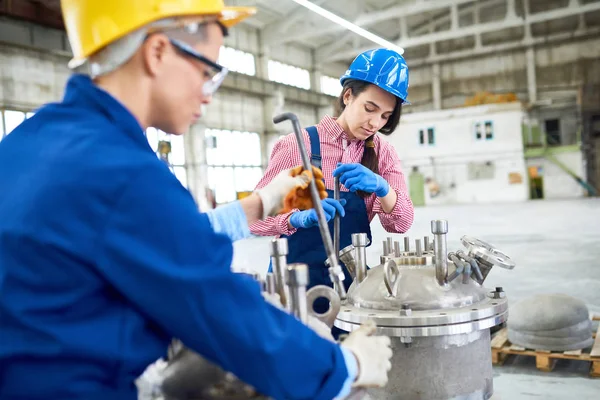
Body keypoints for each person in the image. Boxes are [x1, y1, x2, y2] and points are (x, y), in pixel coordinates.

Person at [0, 1, 393, 399]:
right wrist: (348, 364)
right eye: (207, 72)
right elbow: (218, 310)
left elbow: (153, 237)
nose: (208, 93)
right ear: (157, 53)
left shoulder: (29, 140)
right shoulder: (122, 173)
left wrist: (261, 204)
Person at [251, 48, 415, 299]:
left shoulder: (383, 153)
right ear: (348, 96)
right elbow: (256, 219)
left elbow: (401, 224)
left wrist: (384, 189)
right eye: (369, 108)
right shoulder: (298, 145)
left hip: (351, 284)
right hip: (293, 285)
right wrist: (295, 219)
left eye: (385, 116)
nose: (375, 123)